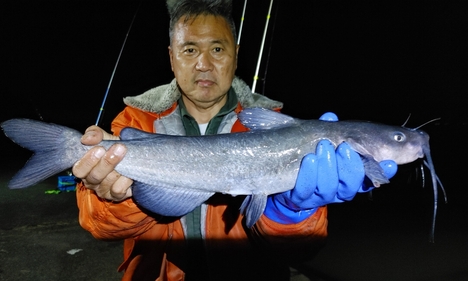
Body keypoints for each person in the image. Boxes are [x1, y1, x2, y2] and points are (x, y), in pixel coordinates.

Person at [72, 1, 397, 280]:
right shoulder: (133, 121)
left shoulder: (275, 127)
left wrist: (291, 212)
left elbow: (301, 249)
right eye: (189, 50)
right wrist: (117, 198)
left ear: (236, 55)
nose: (204, 64)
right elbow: (99, 226)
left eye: (217, 48)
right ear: (172, 58)